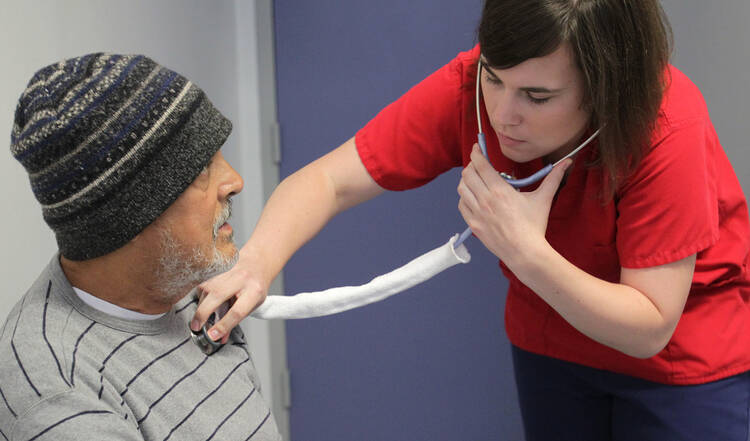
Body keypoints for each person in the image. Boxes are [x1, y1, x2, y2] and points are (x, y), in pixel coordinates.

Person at [194, 0, 750, 440]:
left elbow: (650, 326)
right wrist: (257, 261)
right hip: (552, 345)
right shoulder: (471, 87)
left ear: (606, 89)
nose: (504, 115)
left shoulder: (666, 127)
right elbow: (329, 180)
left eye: (538, 96)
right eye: (495, 77)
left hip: (680, 364)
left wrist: (524, 250)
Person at [0, 53, 281, 440]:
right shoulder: (59, 395)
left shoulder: (185, 281)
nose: (235, 181)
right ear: (127, 215)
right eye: (202, 169)